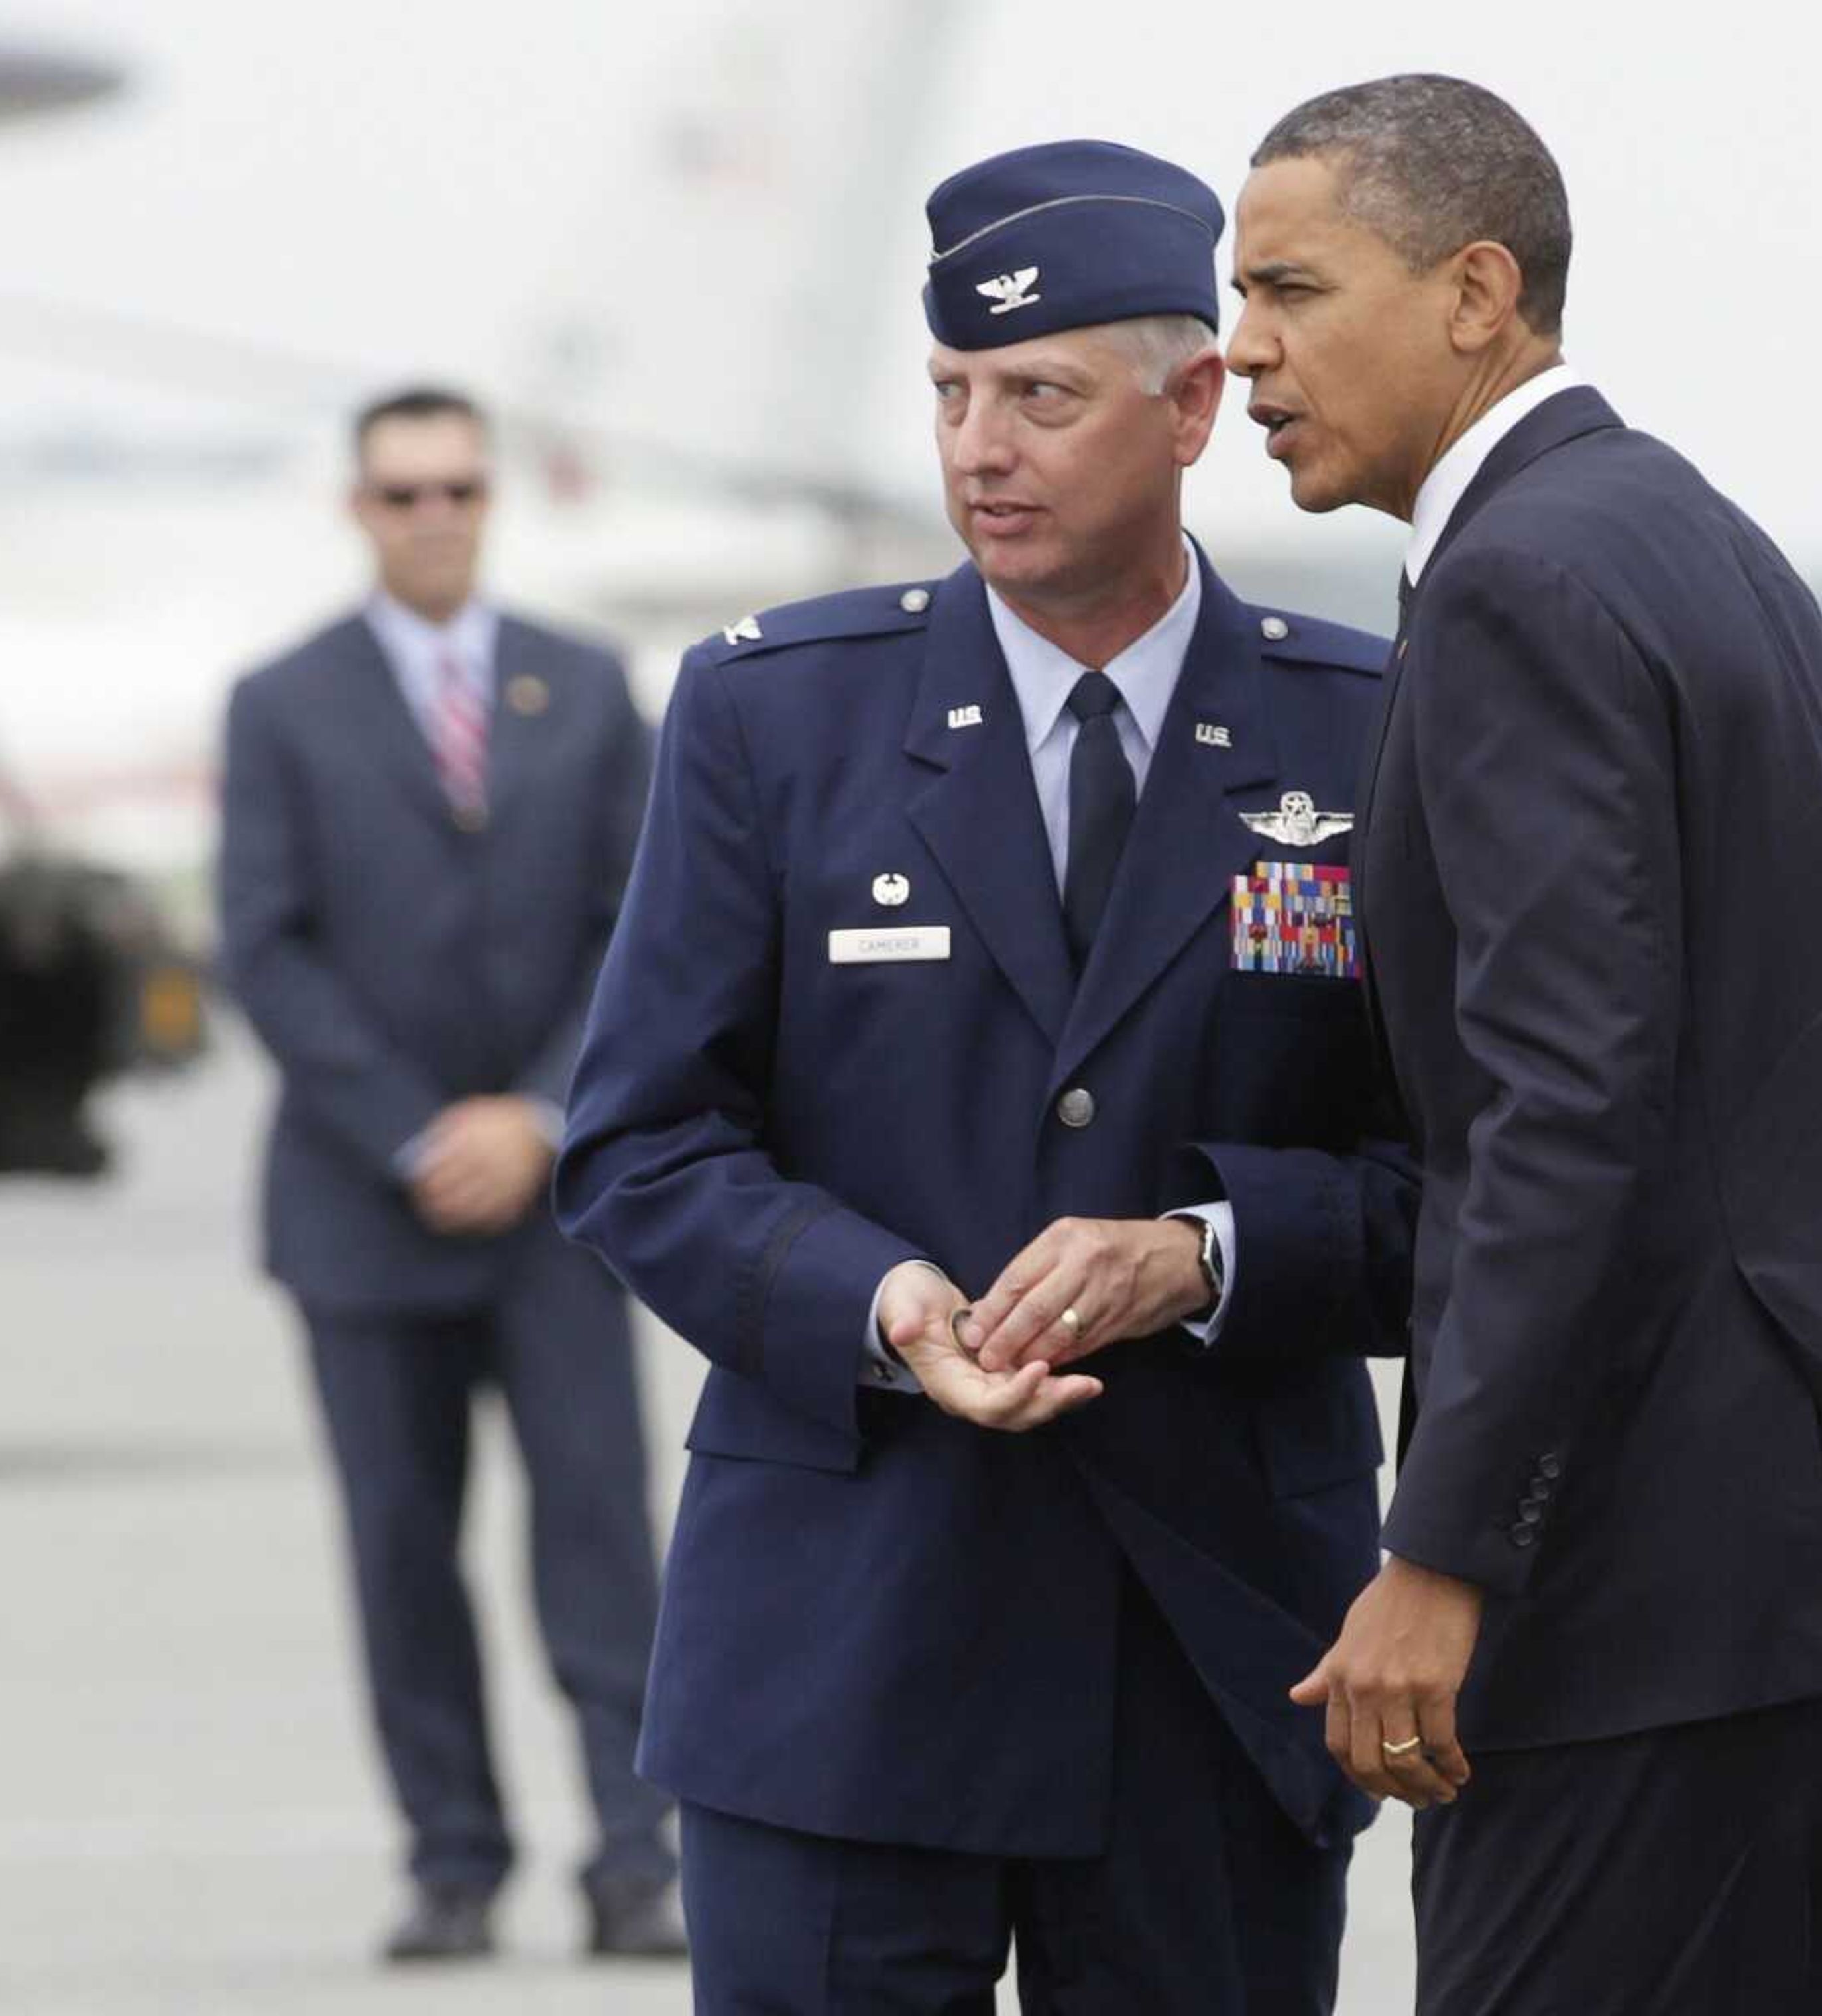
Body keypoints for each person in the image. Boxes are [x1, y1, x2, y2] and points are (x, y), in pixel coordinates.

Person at [1226, 76, 1822, 2013]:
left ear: (1478, 291)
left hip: (1639, 1570)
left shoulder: (1517, 583)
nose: (1245, 350)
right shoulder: (1693, 537)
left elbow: (1572, 1106)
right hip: (1804, 1532)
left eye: (1292, 288)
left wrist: (1446, 1550)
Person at [556, 140, 1418, 2015]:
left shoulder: (1366, 729)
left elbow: (1471, 1184)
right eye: (950, 396)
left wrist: (1204, 1250)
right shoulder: (776, 714)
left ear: (1194, 404)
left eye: (1040, 397)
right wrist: (878, 1300)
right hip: (846, 1645)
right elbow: (638, 1141)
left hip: (1215, 1648)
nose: (979, 451)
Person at [216, 386, 683, 1964]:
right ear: (358, 508)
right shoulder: (281, 701)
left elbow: (642, 922)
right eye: (402, 493)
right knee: (403, 1550)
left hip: (555, 1204)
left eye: (459, 489)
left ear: (492, 502)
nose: (433, 517)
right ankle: (452, 1864)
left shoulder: (585, 681)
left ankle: (633, 1862)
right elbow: (264, 951)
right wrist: (420, 1134)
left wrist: (539, 1115)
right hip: (367, 1211)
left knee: (603, 1538)